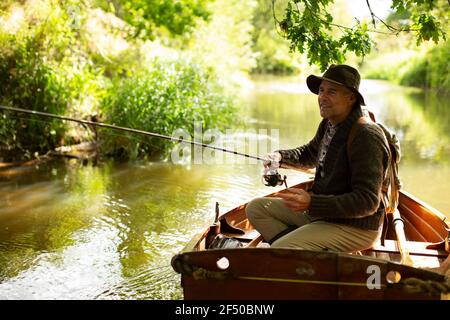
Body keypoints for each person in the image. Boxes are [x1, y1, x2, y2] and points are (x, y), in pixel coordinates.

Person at [246, 64, 390, 253]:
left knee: (282, 247)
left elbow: (368, 201)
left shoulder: (366, 135)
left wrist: (313, 203)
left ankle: (296, 249)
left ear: (351, 98)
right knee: (256, 208)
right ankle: (309, 250)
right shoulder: (329, 123)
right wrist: (280, 157)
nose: (322, 97)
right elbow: (309, 154)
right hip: (323, 214)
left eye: (332, 92)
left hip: (356, 227)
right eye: (321, 91)